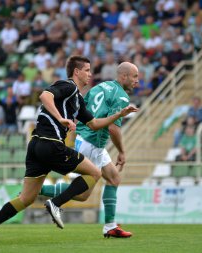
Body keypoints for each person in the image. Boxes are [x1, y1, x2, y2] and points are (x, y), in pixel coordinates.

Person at [0, 56, 137, 244]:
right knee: (94, 172)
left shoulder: (77, 100)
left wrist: (119, 114)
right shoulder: (68, 86)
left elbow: (93, 124)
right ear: (77, 72)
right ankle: (56, 203)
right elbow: (45, 95)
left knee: (26, 198)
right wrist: (60, 119)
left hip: (36, 146)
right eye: (87, 70)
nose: (90, 74)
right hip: (50, 143)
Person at [40, 62, 138, 238]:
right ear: (124, 76)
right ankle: (38, 190)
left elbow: (81, 106)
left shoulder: (102, 86)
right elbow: (114, 129)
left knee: (114, 178)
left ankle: (110, 226)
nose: (137, 81)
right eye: (135, 76)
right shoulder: (122, 96)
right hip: (93, 143)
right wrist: (122, 152)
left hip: (87, 139)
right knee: (83, 194)